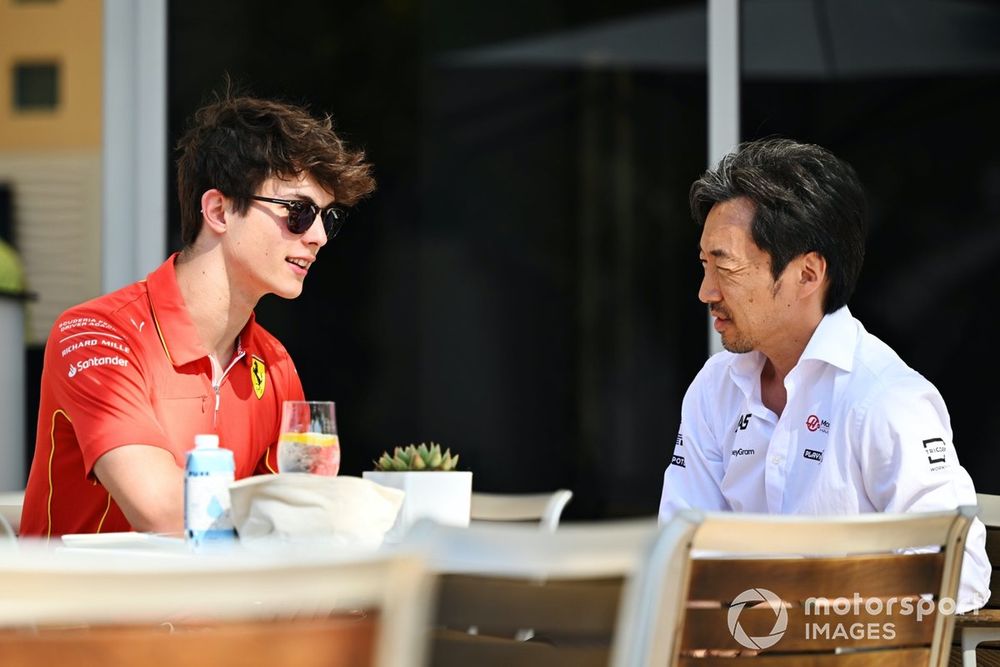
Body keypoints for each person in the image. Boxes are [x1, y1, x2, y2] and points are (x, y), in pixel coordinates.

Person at [20, 94, 374, 537]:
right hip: (89, 606)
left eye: (328, 217)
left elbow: (295, 526)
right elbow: (167, 513)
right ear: (219, 211)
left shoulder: (275, 363)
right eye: (299, 212)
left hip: (217, 603)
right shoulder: (96, 334)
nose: (319, 236)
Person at [658, 138, 990, 611]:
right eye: (704, 265)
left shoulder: (884, 396)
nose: (706, 291)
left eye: (726, 267)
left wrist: (797, 617)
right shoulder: (715, 387)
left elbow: (961, 575)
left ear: (808, 274)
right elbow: (679, 549)